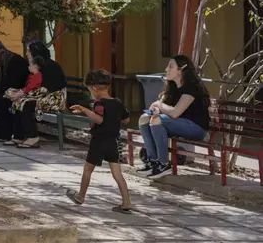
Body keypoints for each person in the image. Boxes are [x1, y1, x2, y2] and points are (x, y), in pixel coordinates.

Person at [66, 69, 133, 214]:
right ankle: (126, 202)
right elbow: (126, 119)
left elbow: (99, 119)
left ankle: (80, 196)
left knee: (88, 169)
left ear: (94, 89)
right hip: (113, 142)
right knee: (117, 173)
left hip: (99, 141)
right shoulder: (117, 102)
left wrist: (84, 109)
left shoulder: (98, 103)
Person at [136, 55, 210, 179]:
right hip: (178, 124)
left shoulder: (191, 87)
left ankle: (164, 164)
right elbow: (162, 107)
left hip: (196, 128)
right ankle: (153, 161)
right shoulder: (172, 86)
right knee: (144, 118)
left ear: (181, 70)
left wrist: (158, 104)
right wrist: (156, 108)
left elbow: (175, 112)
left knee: (156, 120)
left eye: (171, 66)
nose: (166, 69)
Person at [4, 55, 45, 148]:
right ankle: (18, 135)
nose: (28, 66)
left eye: (30, 64)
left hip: (34, 99)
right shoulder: (32, 76)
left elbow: (29, 89)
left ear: (35, 66)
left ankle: (32, 136)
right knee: (17, 105)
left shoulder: (37, 76)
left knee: (24, 107)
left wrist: (18, 94)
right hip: (28, 97)